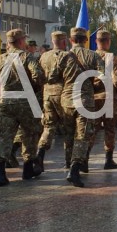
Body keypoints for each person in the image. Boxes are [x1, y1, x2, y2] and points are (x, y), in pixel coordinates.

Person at [0, 29, 45, 186]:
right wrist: (34, 87)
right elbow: (38, 76)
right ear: (21, 41)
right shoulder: (27, 57)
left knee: (4, 136)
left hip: (6, 101)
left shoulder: (0, 59)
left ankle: (0, 174)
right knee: (30, 134)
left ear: (9, 43)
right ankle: (28, 169)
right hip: (25, 101)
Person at [65, 27, 102, 185]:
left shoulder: (63, 56)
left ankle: (69, 165)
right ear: (86, 40)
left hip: (66, 100)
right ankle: (74, 168)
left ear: (70, 40)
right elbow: (102, 77)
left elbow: (52, 77)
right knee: (82, 135)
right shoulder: (93, 55)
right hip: (84, 99)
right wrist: (93, 86)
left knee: (68, 135)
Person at [37, 31, 77, 173]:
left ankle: (40, 154)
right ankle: (68, 161)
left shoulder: (44, 56)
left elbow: (39, 76)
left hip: (47, 94)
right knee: (69, 128)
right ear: (64, 41)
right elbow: (70, 78)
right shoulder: (68, 56)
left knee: (48, 127)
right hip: (62, 95)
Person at [89, 29, 117, 169]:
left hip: (93, 99)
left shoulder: (89, 57)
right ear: (108, 42)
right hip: (109, 98)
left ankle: (84, 159)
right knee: (110, 129)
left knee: (92, 129)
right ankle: (108, 159)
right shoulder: (112, 58)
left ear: (96, 42)